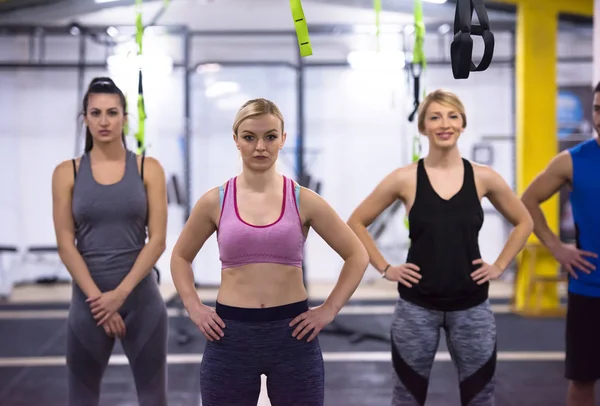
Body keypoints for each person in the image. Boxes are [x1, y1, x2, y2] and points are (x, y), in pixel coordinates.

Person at [170, 98, 369, 406]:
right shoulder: (215, 201)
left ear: (282, 140)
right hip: (230, 337)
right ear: (236, 140)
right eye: (250, 137)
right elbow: (181, 256)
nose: (260, 146)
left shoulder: (305, 200)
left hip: (293, 337)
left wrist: (328, 310)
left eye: (270, 137)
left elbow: (357, 255)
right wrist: (195, 308)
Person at [347, 89, 534, 406]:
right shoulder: (404, 178)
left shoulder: (484, 177)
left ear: (462, 124)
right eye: (435, 117)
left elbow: (524, 222)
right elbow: (356, 222)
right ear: (423, 127)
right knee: (407, 398)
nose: (444, 123)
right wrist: (385, 267)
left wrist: (500, 266)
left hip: (472, 307)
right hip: (416, 308)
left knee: (480, 398)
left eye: (452, 116)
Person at [51, 77, 169, 406]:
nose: (104, 121)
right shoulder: (66, 173)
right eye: (96, 112)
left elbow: (157, 240)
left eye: (112, 112)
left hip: (141, 304)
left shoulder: (149, 169)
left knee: (154, 399)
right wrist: (100, 302)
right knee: (82, 399)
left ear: (125, 118)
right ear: (84, 119)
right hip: (89, 307)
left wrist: (119, 295)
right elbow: (65, 243)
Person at [521, 82, 600, 406]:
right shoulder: (572, 160)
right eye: (597, 108)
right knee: (582, 381)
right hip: (589, 289)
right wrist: (556, 247)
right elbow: (527, 201)